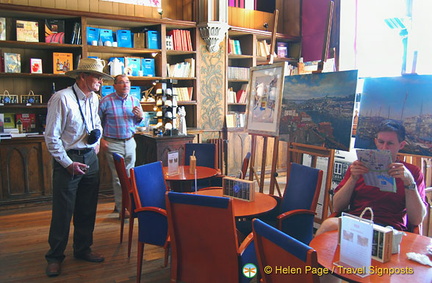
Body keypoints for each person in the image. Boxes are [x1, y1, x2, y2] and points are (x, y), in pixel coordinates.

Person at [44, 58, 113, 277]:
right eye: (97, 77)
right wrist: (67, 163)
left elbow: (95, 123)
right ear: (82, 76)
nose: (100, 82)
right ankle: (55, 256)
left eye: (102, 78)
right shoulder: (62, 98)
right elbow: (51, 137)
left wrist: (95, 144)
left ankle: (83, 249)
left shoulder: (94, 99)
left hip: (89, 159)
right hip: (69, 160)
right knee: (63, 212)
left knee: (87, 208)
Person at [316, 119, 427, 236]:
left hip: (390, 229)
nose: (384, 148)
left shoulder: (413, 172)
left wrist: (409, 182)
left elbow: (417, 220)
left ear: (401, 145)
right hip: (357, 223)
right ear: (375, 141)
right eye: (381, 142)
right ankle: (310, 254)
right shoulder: (359, 166)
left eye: (390, 143)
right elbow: (337, 207)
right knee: (328, 225)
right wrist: (353, 179)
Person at [99, 74, 143, 216]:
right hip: (113, 143)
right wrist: (101, 140)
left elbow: (138, 122)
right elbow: (95, 123)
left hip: (130, 142)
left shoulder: (134, 100)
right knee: (119, 178)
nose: (126, 85)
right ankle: (122, 209)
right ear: (115, 86)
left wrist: (140, 117)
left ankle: (131, 206)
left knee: (131, 177)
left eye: (128, 82)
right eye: (122, 83)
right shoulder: (106, 101)